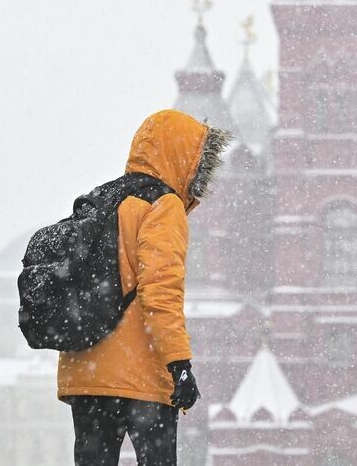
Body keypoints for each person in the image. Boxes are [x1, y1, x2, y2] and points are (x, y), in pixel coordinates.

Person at [58, 109, 229, 466]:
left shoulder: (101, 199)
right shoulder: (163, 205)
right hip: (141, 379)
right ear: (182, 158)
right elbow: (160, 291)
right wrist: (178, 363)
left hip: (85, 372)